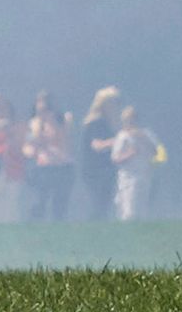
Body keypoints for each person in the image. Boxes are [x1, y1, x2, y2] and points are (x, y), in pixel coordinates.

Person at [21, 92, 75, 222]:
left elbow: (66, 142)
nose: (45, 110)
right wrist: (38, 129)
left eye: (48, 106)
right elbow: (27, 148)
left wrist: (52, 122)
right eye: (41, 107)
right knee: (39, 202)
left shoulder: (64, 120)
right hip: (43, 169)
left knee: (60, 205)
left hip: (63, 167)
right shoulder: (32, 124)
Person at [77, 88, 125, 224]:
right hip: (95, 171)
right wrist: (119, 139)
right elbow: (97, 145)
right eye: (114, 102)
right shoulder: (96, 122)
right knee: (99, 204)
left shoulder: (111, 123)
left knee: (105, 204)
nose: (117, 106)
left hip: (106, 169)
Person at [108, 102, 157, 221]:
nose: (131, 122)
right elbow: (115, 158)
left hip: (144, 175)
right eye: (128, 120)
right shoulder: (122, 136)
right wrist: (130, 153)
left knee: (141, 209)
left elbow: (155, 151)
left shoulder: (146, 134)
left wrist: (142, 139)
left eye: (133, 119)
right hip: (127, 178)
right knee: (128, 211)